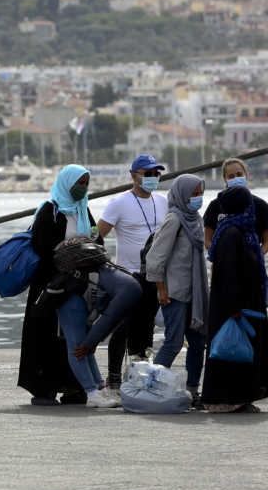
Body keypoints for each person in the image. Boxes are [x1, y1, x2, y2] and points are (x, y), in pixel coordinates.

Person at [18, 165, 140, 408]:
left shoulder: (84, 209)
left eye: (86, 183)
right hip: (52, 285)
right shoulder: (49, 211)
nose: (82, 188)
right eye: (78, 182)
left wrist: (87, 245)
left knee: (75, 336)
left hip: (78, 284)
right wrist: (69, 247)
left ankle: (76, 388)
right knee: (48, 338)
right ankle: (45, 389)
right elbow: (40, 246)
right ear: (66, 182)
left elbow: (98, 239)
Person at [199, 186, 268, 412]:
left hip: (242, 303)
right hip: (233, 306)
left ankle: (241, 397)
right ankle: (228, 399)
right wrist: (234, 307)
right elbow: (229, 274)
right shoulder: (232, 234)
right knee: (232, 352)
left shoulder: (239, 231)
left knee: (241, 352)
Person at [96, 154, 168, 389]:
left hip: (154, 275)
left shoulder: (163, 202)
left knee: (146, 328)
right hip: (127, 276)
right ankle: (114, 378)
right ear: (134, 176)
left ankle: (141, 375)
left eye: (156, 174)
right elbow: (98, 235)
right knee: (122, 327)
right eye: (147, 174)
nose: (152, 178)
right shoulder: (119, 203)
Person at [144, 174, 209, 410]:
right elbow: (155, 257)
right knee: (173, 342)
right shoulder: (174, 219)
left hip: (195, 293)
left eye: (200, 193)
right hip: (175, 292)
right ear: (182, 195)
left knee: (198, 342)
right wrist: (161, 288)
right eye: (193, 194)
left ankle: (193, 390)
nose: (197, 198)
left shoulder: (195, 219)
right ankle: (150, 388)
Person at [203, 157, 268, 255]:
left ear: (246, 175)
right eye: (231, 176)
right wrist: (221, 257)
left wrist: (256, 257)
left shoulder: (261, 206)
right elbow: (207, 241)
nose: (236, 178)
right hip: (223, 264)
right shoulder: (215, 205)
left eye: (239, 174)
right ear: (225, 179)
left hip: (252, 265)